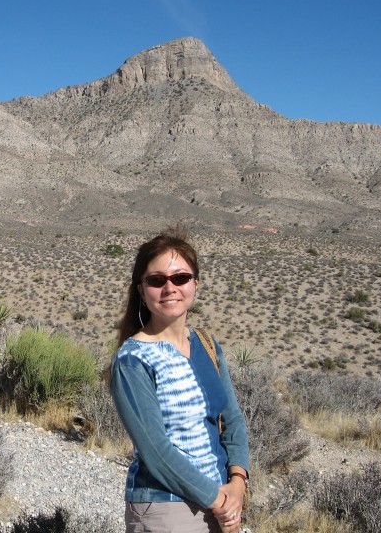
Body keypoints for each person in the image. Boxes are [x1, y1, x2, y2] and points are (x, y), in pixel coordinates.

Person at [109, 225, 250, 533]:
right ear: (141, 291)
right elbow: (157, 453)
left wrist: (238, 482)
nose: (169, 288)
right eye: (157, 281)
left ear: (195, 284)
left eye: (181, 278)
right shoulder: (133, 361)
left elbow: (233, 420)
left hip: (221, 503)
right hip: (168, 509)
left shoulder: (206, 345)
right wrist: (220, 500)